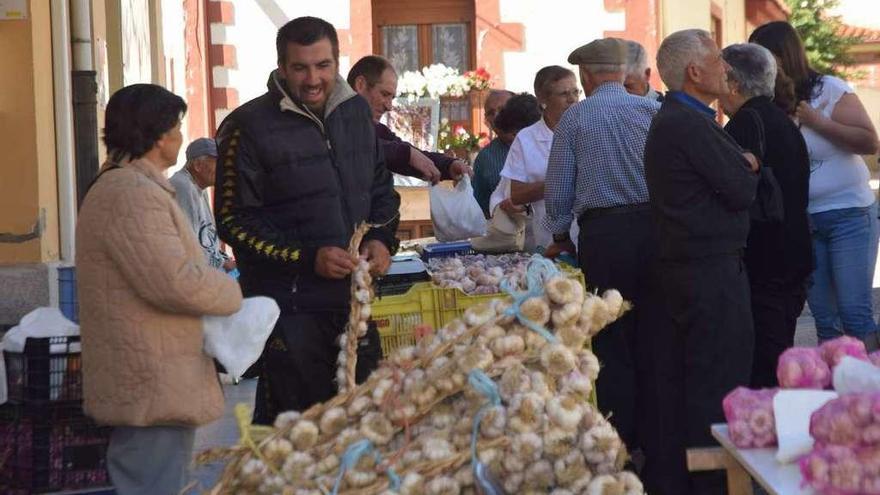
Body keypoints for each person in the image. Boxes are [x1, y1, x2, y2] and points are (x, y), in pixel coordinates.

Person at [214, 17, 400, 424]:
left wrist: (383, 239)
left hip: (355, 306)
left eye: (323, 66)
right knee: (297, 440)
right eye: (300, 68)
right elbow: (232, 221)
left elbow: (381, 191)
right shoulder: (246, 127)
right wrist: (306, 257)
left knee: (366, 428)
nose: (313, 79)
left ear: (337, 62)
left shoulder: (355, 114)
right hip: (289, 314)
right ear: (281, 67)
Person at [76, 84, 243, 495]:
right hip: (149, 377)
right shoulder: (130, 193)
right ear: (157, 136)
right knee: (152, 483)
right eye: (177, 126)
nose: (181, 136)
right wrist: (232, 292)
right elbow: (175, 280)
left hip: (154, 373)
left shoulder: (133, 187)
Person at [644, 29, 759, 494]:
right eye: (717, 60)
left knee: (704, 380)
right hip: (706, 272)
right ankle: (715, 484)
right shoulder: (686, 123)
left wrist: (741, 163)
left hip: (697, 268)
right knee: (717, 384)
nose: (726, 68)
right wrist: (746, 164)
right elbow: (740, 189)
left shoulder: (684, 120)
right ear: (694, 71)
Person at [543, 38, 661, 456]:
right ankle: (658, 435)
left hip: (605, 237)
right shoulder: (652, 109)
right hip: (657, 233)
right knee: (654, 331)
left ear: (586, 77)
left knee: (610, 336)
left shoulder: (575, 119)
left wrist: (559, 236)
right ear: (623, 71)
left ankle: (620, 438)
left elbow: (558, 190)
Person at [751, 21, 880, 349]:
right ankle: (831, 396)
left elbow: (869, 141)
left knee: (854, 314)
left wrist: (818, 122)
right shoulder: (769, 101)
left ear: (782, 56)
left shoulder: (829, 90)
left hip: (848, 215)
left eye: (763, 55)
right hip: (805, 222)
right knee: (825, 320)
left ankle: (867, 393)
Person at [719, 43, 813, 388]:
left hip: (767, 263)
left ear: (731, 81)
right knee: (777, 359)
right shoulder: (780, 119)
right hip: (791, 255)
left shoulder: (747, 123)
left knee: (767, 370)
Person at [347, 55, 472, 184]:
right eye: (384, 94)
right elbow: (359, 146)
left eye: (392, 98)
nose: (389, 106)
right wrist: (407, 154)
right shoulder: (335, 121)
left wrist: (448, 165)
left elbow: (410, 154)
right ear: (360, 85)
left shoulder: (375, 128)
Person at [500, 65, 581, 251]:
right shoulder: (526, 139)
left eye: (576, 92)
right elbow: (517, 195)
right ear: (543, 100)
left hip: (589, 234)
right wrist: (558, 184)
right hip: (549, 238)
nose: (572, 99)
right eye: (564, 94)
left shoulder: (589, 129)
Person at [170, 137, 235, 271]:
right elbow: (189, 242)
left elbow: (207, 238)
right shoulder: (183, 185)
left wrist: (223, 259)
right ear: (198, 166)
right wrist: (222, 263)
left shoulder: (198, 187)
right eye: (218, 163)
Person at [472, 89, 514, 217]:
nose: (497, 116)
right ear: (487, 121)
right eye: (491, 113)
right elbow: (480, 209)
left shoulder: (547, 142)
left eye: (502, 109)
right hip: (506, 232)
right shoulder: (485, 158)